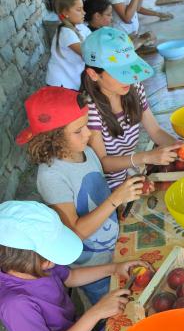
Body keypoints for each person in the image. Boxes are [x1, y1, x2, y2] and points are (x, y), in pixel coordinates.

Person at [0, 200, 148, 331]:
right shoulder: (15, 305)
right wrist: (95, 313)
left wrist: (114, 268)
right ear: (25, 259)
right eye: (49, 257)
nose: (54, 262)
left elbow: (71, 276)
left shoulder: (37, 267)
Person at [16, 86, 145, 304]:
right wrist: (115, 199)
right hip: (91, 267)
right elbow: (74, 232)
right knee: (112, 314)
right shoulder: (52, 176)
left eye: (86, 124)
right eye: (78, 130)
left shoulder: (86, 151)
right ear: (53, 138)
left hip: (114, 248)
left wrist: (125, 196)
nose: (89, 133)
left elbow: (96, 194)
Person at [81, 27, 183, 190]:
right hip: (103, 185)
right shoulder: (90, 108)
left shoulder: (134, 87)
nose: (128, 77)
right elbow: (103, 163)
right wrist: (147, 157)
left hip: (127, 171)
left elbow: (155, 131)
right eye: (119, 73)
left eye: (129, 69)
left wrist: (180, 147)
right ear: (93, 74)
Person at [46, 0, 91, 91]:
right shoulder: (65, 32)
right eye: (79, 9)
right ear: (65, 12)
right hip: (60, 84)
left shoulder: (80, 27)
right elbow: (87, 52)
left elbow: (94, 40)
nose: (84, 12)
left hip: (69, 81)